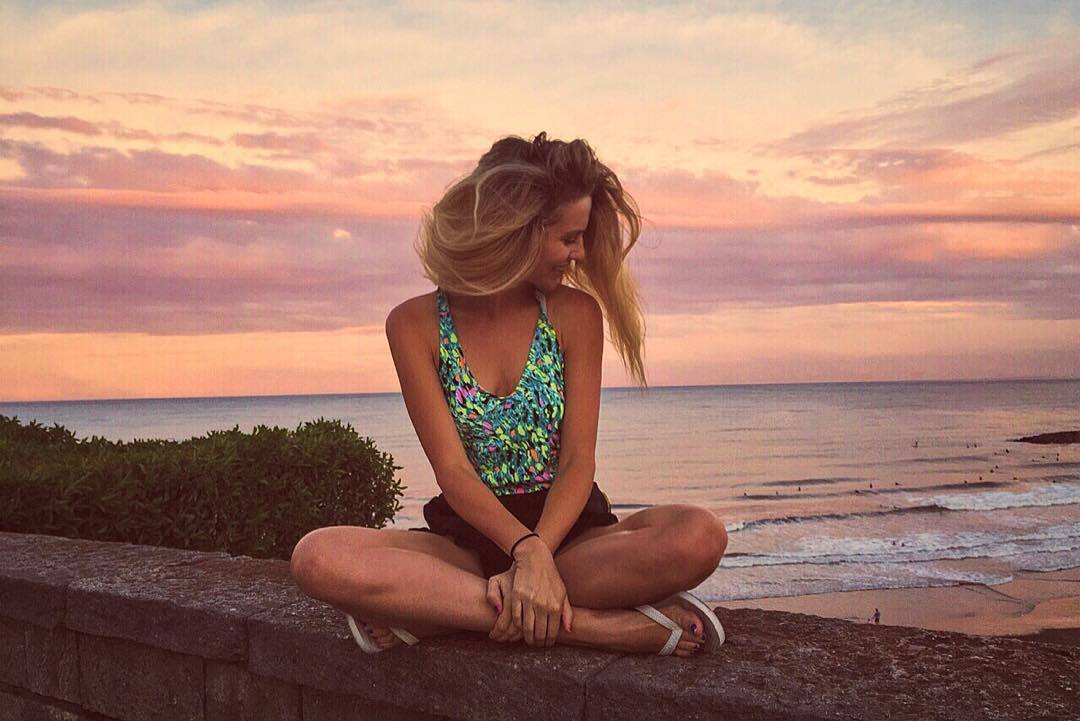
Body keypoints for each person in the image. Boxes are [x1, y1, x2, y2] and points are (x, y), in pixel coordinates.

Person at [289, 132, 729, 658]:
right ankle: (596, 627)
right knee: (317, 557)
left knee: (700, 535)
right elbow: (453, 472)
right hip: (467, 542)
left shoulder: (574, 314)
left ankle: (447, 613)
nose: (579, 253)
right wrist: (521, 551)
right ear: (517, 232)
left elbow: (577, 463)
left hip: (569, 540)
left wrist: (539, 552)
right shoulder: (413, 324)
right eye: (569, 238)